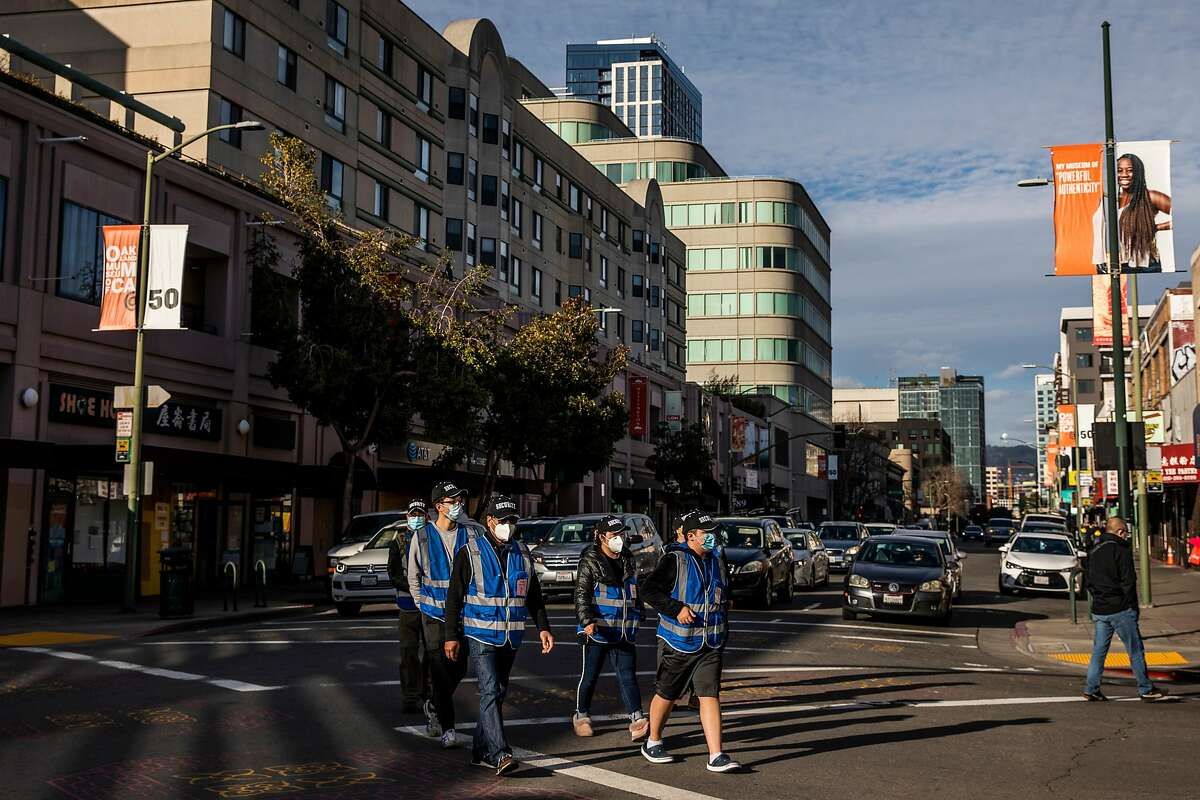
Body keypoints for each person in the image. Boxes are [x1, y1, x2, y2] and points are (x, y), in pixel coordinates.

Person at [444, 494, 554, 775]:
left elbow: (533, 596)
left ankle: (480, 751)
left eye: (513, 521)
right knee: (490, 690)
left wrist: (544, 628)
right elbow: (454, 598)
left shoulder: (522, 553)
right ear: (490, 521)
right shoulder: (471, 552)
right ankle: (500, 753)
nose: (509, 525)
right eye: (504, 520)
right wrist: (451, 635)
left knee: (497, 693)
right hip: (480, 636)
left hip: (510, 636)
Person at [641, 510, 740, 773]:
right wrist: (676, 608)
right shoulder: (675, 559)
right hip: (679, 641)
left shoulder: (716, 560)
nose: (712, 538)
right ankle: (653, 741)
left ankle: (716, 754)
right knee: (667, 693)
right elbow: (649, 590)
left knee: (710, 694)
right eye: (707, 534)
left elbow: (721, 594)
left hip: (711, 642)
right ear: (691, 536)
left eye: (713, 533)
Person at [572, 514, 649, 740]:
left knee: (627, 675)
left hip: (623, 629)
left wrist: (639, 611)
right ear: (601, 537)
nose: (618, 538)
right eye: (614, 534)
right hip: (597, 630)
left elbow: (634, 589)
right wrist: (587, 621)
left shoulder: (627, 558)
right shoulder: (590, 560)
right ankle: (582, 715)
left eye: (621, 534)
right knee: (590, 675)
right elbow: (581, 594)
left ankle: (637, 719)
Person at [407, 481, 472, 747]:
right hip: (433, 614)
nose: (458, 504)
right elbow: (413, 574)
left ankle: (433, 704)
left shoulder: (470, 534)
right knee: (441, 670)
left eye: (460, 499)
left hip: (463, 614)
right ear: (439, 506)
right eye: (452, 500)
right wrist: (421, 603)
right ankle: (448, 728)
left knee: (460, 666)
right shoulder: (422, 535)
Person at [1083, 516, 1167, 702]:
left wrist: (1098, 596)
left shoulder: (1094, 550)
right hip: (1120, 608)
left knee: (1099, 651)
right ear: (1120, 531)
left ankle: (1091, 687)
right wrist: (1132, 607)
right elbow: (1128, 582)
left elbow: (1087, 581)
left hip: (1099, 608)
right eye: (1126, 533)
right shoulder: (1121, 550)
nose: (1127, 536)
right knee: (1135, 649)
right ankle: (1145, 688)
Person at [387, 499, 430, 713]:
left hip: (430, 606)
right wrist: (413, 588)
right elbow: (393, 574)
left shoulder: (434, 539)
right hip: (407, 605)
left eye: (420, 514)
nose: (416, 518)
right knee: (408, 652)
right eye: (413, 514)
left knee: (432, 652)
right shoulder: (399, 541)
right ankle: (410, 695)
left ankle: (428, 691)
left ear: (427, 516)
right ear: (407, 517)